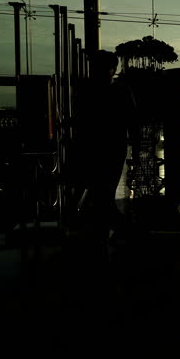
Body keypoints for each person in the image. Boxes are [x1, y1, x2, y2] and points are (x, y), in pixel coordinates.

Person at [77, 49, 136, 232]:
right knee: (106, 186)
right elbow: (133, 120)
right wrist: (135, 145)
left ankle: (103, 223)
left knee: (101, 187)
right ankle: (109, 221)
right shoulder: (122, 91)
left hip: (97, 147)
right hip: (113, 146)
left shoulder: (87, 91)